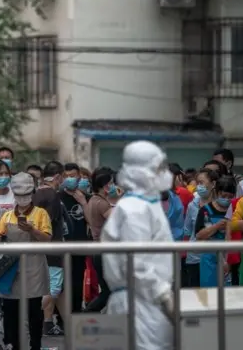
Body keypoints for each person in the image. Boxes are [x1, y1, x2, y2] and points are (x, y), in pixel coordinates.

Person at [101, 140, 175, 350]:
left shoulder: (146, 204)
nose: (164, 173)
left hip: (147, 300)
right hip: (138, 302)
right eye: (159, 168)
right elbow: (135, 262)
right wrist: (163, 293)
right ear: (142, 171)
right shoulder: (134, 209)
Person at [0, 172, 52, 350]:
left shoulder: (41, 214)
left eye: (26, 194)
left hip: (34, 268)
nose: (23, 199)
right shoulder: (7, 216)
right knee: (11, 311)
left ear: (33, 193)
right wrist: (0, 238)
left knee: (34, 311)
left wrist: (32, 230)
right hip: (12, 270)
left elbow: (48, 238)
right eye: (19, 195)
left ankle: (35, 346)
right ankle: (14, 345)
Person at [32, 161, 66, 336]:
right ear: (58, 176)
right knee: (54, 288)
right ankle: (30, 313)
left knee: (52, 287)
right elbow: (49, 223)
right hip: (52, 247)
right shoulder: (52, 196)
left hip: (40, 247)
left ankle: (55, 322)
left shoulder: (37, 194)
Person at [58, 163, 89, 320]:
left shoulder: (85, 198)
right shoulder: (58, 197)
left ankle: (76, 317)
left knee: (77, 284)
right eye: (67, 176)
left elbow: (91, 222)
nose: (70, 179)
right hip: (62, 248)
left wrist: (83, 203)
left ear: (79, 177)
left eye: (73, 176)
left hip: (80, 247)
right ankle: (61, 318)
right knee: (61, 285)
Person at [194, 176, 237, 287]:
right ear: (217, 193)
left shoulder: (236, 210)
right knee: (209, 295)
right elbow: (199, 235)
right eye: (223, 196)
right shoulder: (205, 210)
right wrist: (216, 226)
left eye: (230, 197)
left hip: (229, 257)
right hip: (209, 258)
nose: (227, 199)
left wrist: (228, 261)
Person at [84, 167, 116, 312]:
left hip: (99, 249)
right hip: (104, 251)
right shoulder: (101, 204)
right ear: (106, 185)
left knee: (109, 290)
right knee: (109, 291)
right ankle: (88, 315)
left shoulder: (93, 200)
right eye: (111, 183)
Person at [183, 168, 219, 287]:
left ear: (213, 184)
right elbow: (187, 231)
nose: (199, 186)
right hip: (194, 258)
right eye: (197, 183)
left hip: (214, 258)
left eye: (201, 183)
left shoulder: (221, 205)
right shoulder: (192, 205)